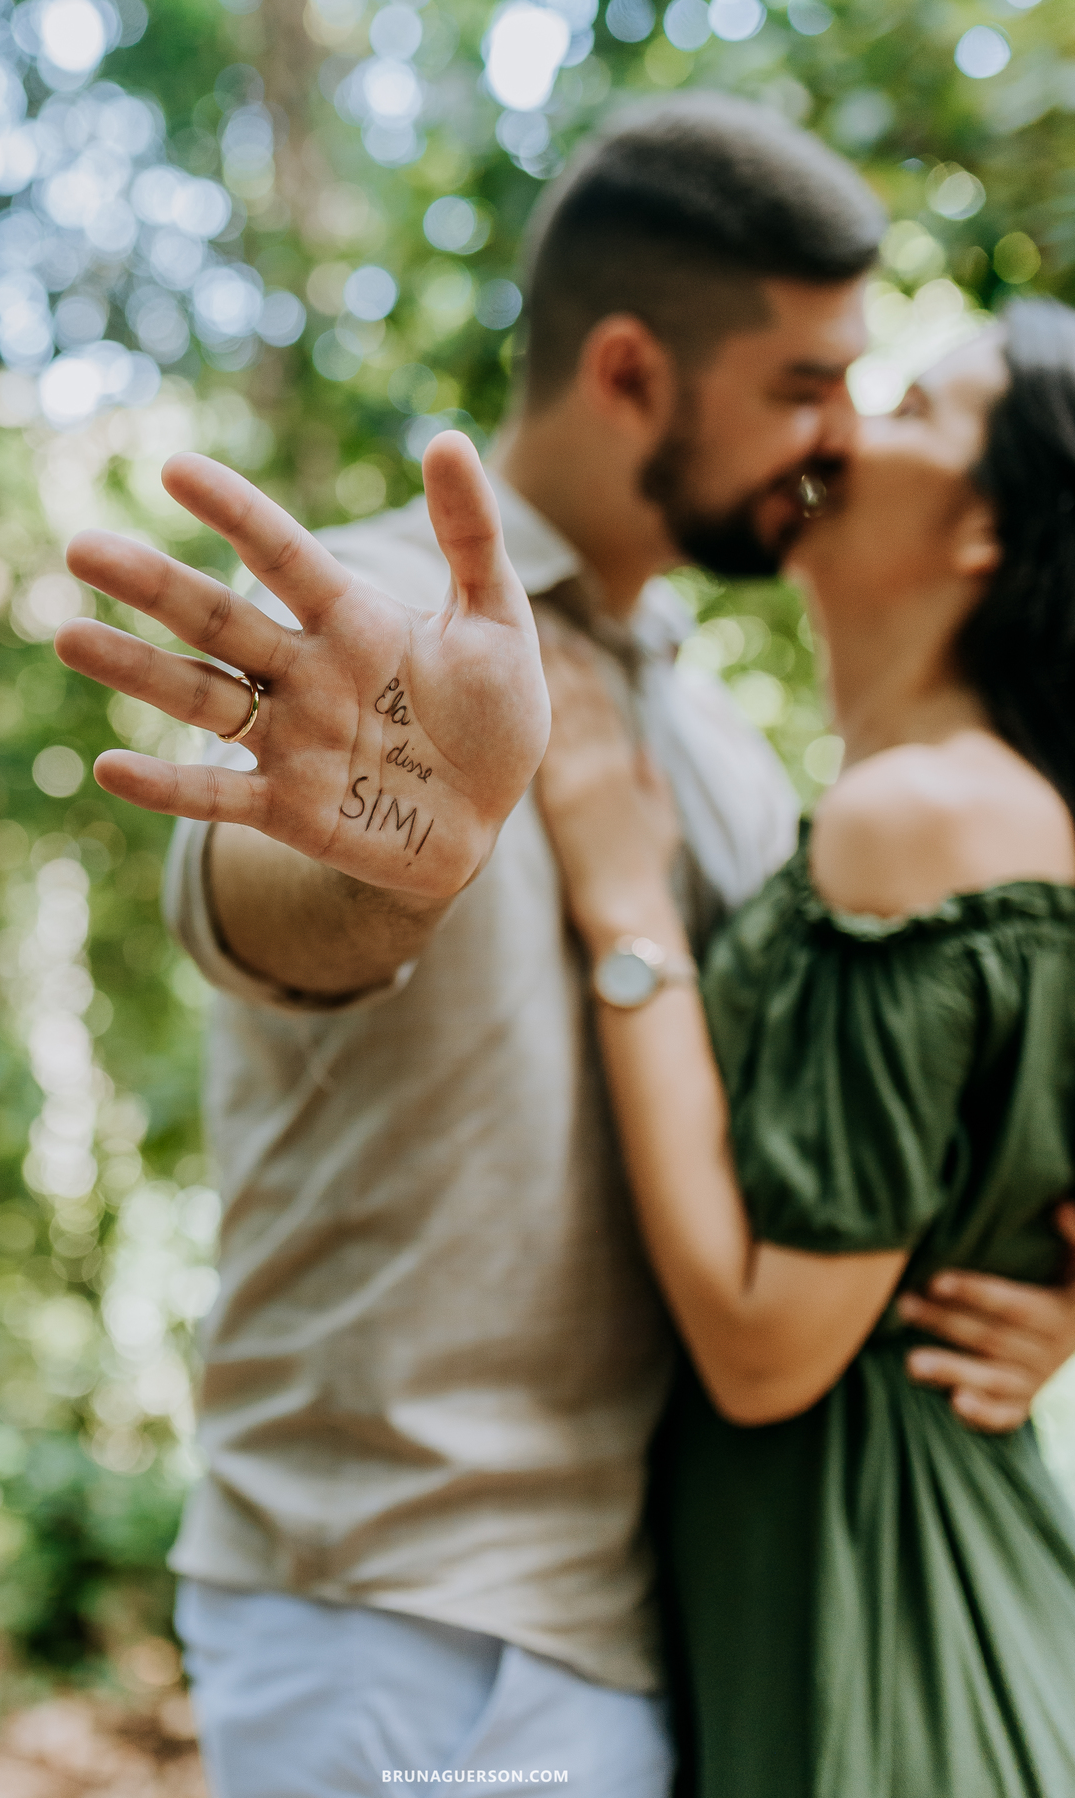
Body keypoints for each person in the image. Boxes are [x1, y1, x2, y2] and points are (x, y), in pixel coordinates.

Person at [53, 96, 1075, 1796]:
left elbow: (890, 1111)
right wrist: (395, 866)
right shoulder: (368, 631)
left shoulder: (730, 747)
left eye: (871, 388)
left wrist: (1038, 1272)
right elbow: (266, 915)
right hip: (416, 1616)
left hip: (657, 1629)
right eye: (806, 385)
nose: (838, 433)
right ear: (628, 374)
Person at [533, 298, 1075, 1796]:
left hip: (885, 1613)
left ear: (986, 532)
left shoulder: (927, 815)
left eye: (908, 412)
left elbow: (766, 1347)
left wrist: (627, 902)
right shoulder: (951, 801)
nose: (840, 427)